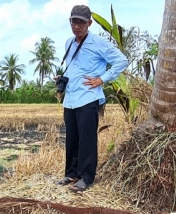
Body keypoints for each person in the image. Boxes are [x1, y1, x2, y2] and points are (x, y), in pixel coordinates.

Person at [56, 5, 128, 193]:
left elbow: (122, 60)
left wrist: (102, 79)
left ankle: (86, 177)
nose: (77, 26)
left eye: (81, 22)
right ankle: (72, 173)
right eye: (74, 21)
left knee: (87, 139)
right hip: (71, 97)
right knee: (72, 137)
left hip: (88, 97)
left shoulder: (99, 43)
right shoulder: (69, 43)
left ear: (89, 23)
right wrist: (62, 79)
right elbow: (74, 69)